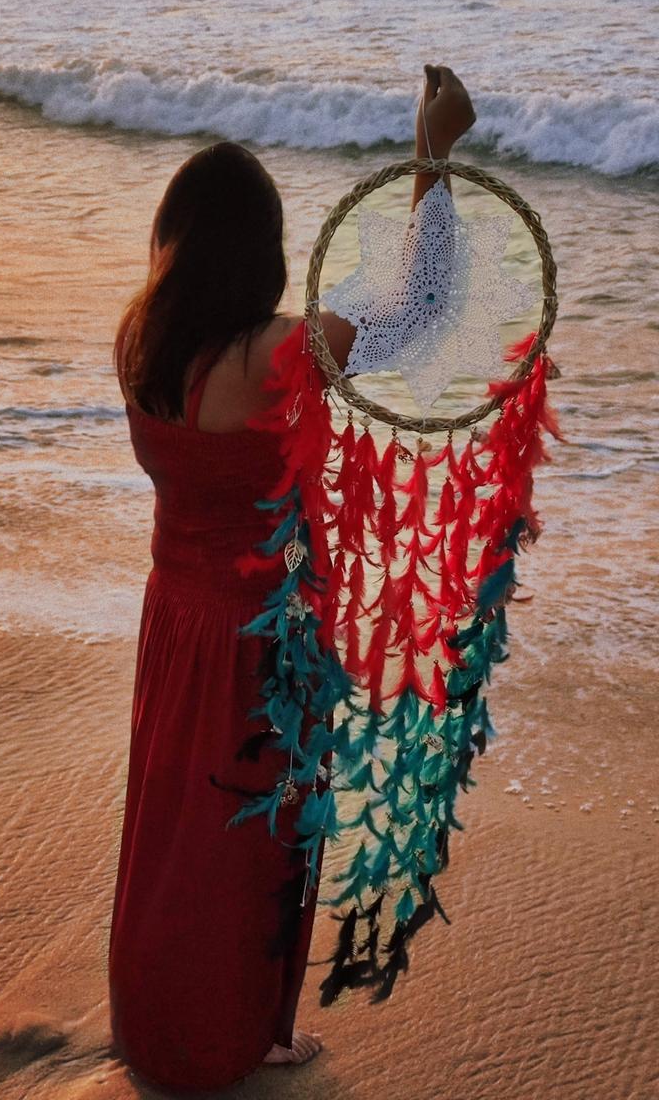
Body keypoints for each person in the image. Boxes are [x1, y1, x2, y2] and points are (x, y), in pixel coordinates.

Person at [108, 65, 476, 1091]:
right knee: (258, 838)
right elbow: (420, 305)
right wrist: (431, 152)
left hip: (176, 621)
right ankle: (237, 1035)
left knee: (174, 824)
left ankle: (155, 1017)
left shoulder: (140, 344)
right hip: (267, 637)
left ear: (173, 242)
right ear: (263, 251)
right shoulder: (279, 356)